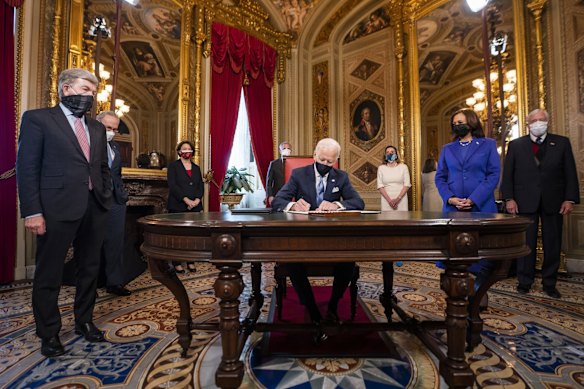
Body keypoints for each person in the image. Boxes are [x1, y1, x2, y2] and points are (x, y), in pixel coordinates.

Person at [16, 68, 112, 357]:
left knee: (90, 269)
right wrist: (32, 211)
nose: (90, 97)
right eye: (85, 90)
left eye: (93, 93)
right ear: (66, 89)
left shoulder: (96, 127)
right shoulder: (38, 119)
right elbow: (27, 168)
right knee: (50, 272)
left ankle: (84, 321)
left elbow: (100, 167)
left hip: (94, 207)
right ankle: (48, 332)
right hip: (55, 207)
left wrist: (105, 195)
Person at [271, 138, 364, 342]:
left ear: (336, 161)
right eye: (322, 159)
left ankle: (332, 307)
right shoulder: (298, 174)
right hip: (302, 237)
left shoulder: (341, 177)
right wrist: (293, 206)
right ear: (314, 156)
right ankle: (313, 313)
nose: (325, 165)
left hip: (332, 238)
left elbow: (358, 202)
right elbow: (277, 201)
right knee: (293, 263)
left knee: (348, 260)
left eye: (330, 162)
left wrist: (337, 206)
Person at [501, 109, 579, 298]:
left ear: (547, 122)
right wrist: (509, 198)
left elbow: (570, 172)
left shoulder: (561, 143)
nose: (538, 123)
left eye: (542, 119)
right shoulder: (516, 145)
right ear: (528, 124)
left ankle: (549, 283)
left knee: (553, 243)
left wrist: (569, 199)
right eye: (534, 120)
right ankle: (524, 281)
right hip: (524, 201)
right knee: (526, 243)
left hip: (554, 201)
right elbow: (508, 175)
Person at [435, 108, 500, 304]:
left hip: (481, 207)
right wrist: (450, 198)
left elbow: (493, 175)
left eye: (461, 122)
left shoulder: (488, 145)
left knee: (482, 253)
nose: (457, 126)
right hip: (454, 209)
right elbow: (440, 178)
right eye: (454, 123)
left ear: (471, 122)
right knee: (454, 253)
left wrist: (474, 199)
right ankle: (458, 292)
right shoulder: (447, 149)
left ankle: (478, 292)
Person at [96, 111, 131, 296]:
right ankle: (92, 282)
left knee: (115, 242)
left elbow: (116, 173)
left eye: (115, 129)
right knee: (91, 243)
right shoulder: (89, 145)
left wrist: (122, 193)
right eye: (108, 128)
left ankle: (114, 282)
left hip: (116, 200)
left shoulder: (116, 147)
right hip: (94, 199)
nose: (112, 132)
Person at [166, 140, 204, 273]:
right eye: (184, 149)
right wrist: (186, 200)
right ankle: (176, 262)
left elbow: (200, 185)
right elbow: (173, 185)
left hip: (195, 206)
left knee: (192, 235)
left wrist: (197, 200)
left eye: (189, 149)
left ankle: (191, 261)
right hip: (178, 205)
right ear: (179, 151)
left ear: (192, 152)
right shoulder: (173, 166)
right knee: (178, 235)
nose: (187, 151)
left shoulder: (196, 168)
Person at [377, 145, 411, 211]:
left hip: (401, 200)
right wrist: (389, 201)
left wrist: (398, 199)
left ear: (396, 154)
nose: (390, 154)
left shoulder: (403, 167)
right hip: (386, 200)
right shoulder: (381, 168)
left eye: (392, 152)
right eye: (387, 152)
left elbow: (407, 185)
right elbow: (380, 186)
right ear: (385, 155)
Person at [265, 141, 292, 207]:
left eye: (288, 148)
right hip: (277, 195)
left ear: (291, 151)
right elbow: (269, 181)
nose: (286, 150)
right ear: (280, 151)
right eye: (284, 149)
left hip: (292, 196)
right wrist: (270, 196)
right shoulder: (274, 164)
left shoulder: (296, 163)